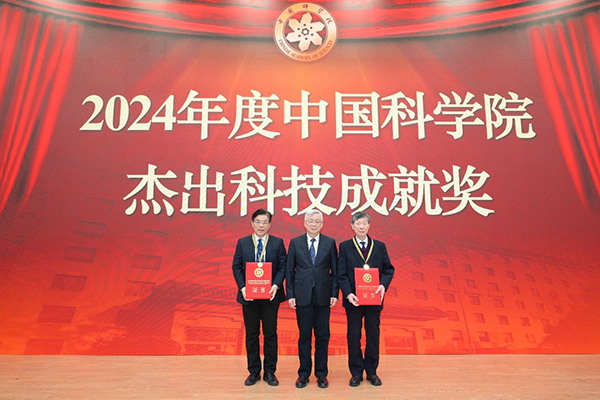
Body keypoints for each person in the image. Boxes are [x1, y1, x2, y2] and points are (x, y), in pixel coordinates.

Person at [338, 212, 394, 387]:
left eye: (364, 223)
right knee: (353, 335)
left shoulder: (379, 246)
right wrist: (348, 293)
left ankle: (371, 371)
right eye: (358, 223)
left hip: (373, 299)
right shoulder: (345, 246)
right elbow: (341, 274)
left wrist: (383, 285)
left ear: (369, 225)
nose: (361, 227)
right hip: (353, 300)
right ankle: (356, 373)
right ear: (352, 226)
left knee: (373, 335)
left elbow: (388, 269)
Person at [232, 209, 287, 386]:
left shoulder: (277, 243)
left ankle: (270, 372)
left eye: (264, 222)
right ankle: (254, 371)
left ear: (269, 224)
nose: (261, 225)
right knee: (251, 334)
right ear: (252, 223)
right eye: (258, 221)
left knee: (270, 334)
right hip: (249, 296)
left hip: (270, 296)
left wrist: (276, 285)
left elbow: (283, 267)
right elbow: (236, 267)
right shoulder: (243, 243)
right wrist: (243, 288)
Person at [286, 210, 338, 389]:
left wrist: (334, 293)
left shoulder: (330, 243)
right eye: (310, 221)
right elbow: (289, 271)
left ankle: (321, 374)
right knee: (304, 336)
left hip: (323, 295)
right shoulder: (295, 243)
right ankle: (303, 373)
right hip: (302, 295)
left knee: (323, 336)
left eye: (317, 221)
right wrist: (290, 295)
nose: (314, 224)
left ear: (322, 224)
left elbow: (335, 271)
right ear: (305, 223)